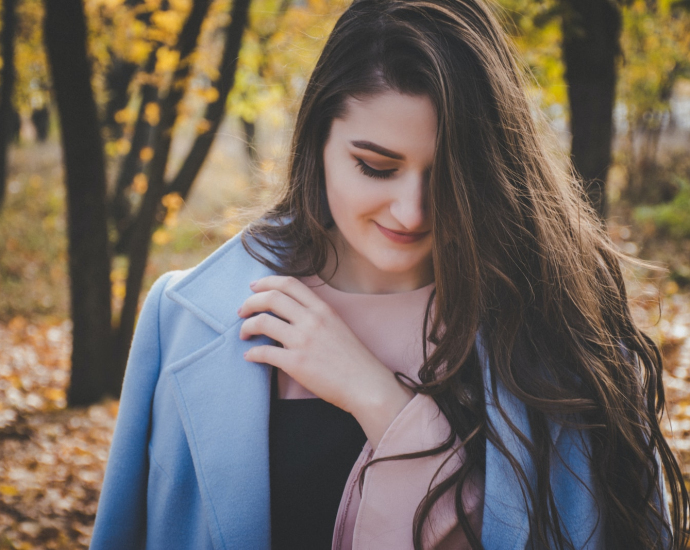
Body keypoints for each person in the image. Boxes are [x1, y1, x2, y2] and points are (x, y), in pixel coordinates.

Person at [90, 0, 689, 548]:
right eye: (376, 166)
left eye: (449, 175)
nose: (413, 212)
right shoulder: (187, 319)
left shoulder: (564, 324)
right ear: (317, 141)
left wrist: (375, 397)